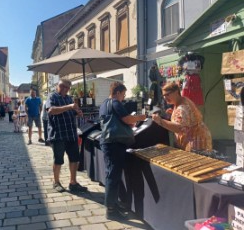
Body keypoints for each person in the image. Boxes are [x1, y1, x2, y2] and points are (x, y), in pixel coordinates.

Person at [99, 82, 146, 220]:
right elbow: (127, 119)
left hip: (108, 142)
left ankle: (113, 203)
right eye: (123, 94)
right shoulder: (115, 102)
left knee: (111, 174)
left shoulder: (104, 103)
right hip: (115, 143)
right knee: (113, 176)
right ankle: (111, 210)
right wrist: (140, 117)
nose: (124, 97)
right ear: (118, 92)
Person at [47, 79, 88, 193]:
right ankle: (56, 182)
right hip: (58, 134)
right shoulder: (52, 97)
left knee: (74, 158)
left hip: (71, 133)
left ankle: (73, 182)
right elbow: (51, 110)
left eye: (67, 87)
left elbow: (72, 112)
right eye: (62, 86)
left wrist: (77, 112)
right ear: (57, 85)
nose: (64, 88)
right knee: (58, 160)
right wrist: (69, 107)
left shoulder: (69, 98)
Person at [152, 82, 212, 151]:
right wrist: (174, 113)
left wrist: (160, 121)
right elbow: (187, 117)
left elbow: (179, 128)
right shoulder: (181, 100)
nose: (165, 98)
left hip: (197, 143)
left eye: (167, 94)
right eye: (164, 96)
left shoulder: (182, 108)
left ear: (176, 92)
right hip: (199, 138)